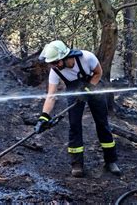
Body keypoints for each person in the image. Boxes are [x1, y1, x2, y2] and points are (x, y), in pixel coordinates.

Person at [35, 40, 120, 178]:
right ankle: (77, 164)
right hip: (74, 91)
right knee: (74, 125)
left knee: (102, 124)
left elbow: (98, 73)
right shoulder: (55, 71)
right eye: (52, 63)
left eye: (56, 62)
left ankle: (111, 161)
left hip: (94, 86)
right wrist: (43, 117)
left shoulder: (87, 57)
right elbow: (51, 96)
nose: (54, 66)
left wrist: (87, 89)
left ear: (64, 56)